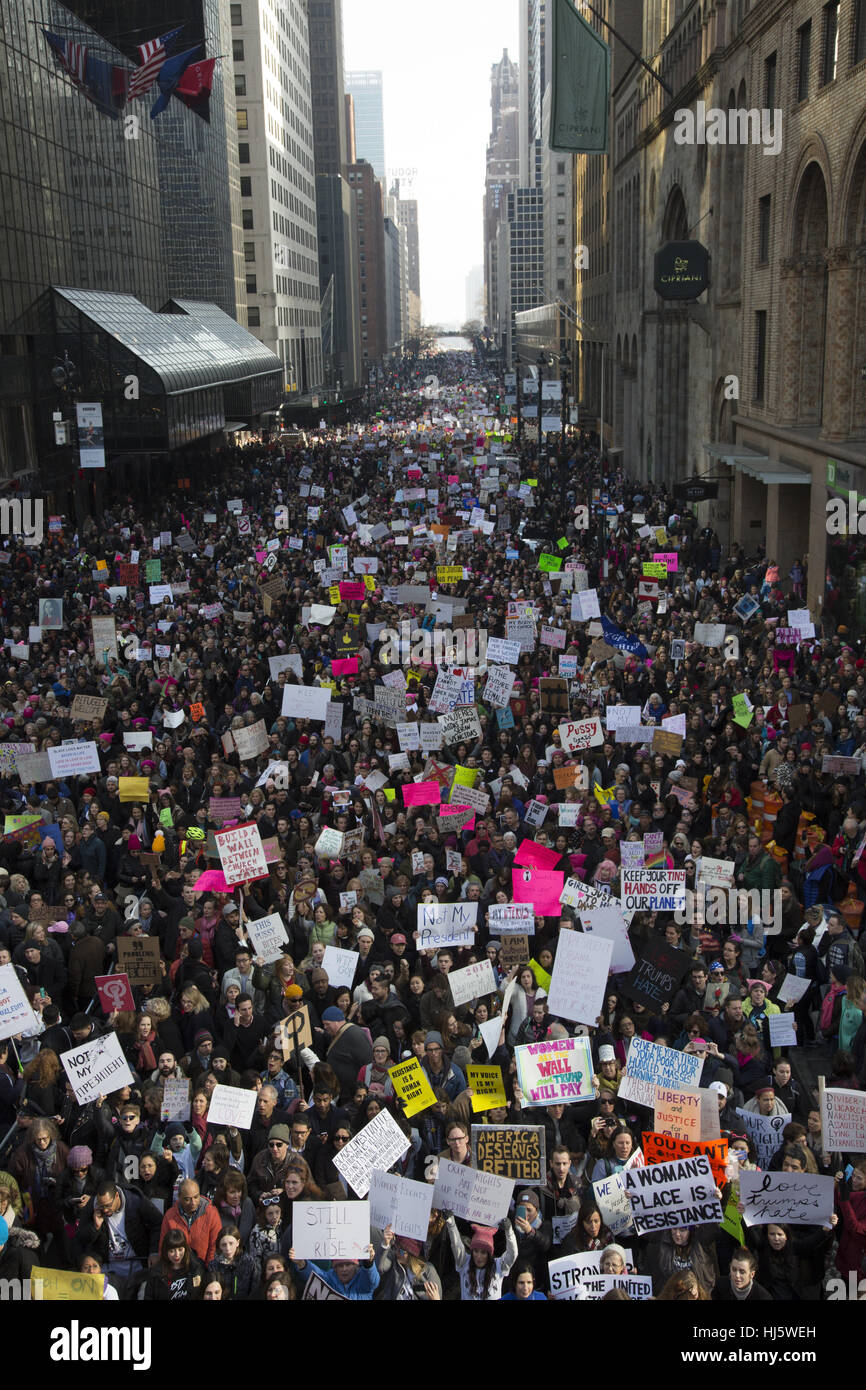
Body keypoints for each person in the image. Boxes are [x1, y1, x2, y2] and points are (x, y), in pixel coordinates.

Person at [444, 1216, 518, 1301]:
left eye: (483, 1252)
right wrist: (451, 1224)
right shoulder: (464, 1263)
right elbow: (456, 1245)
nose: (479, 1256)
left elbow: (512, 1254)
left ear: (489, 1254)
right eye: (475, 1251)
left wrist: (509, 1232)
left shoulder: (498, 1266)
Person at [141, 1228, 204, 1300]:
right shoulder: (156, 1273)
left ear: (185, 1249)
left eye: (180, 1250)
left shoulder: (196, 1268)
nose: (177, 1255)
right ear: (166, 1251)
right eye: (172, 1251)